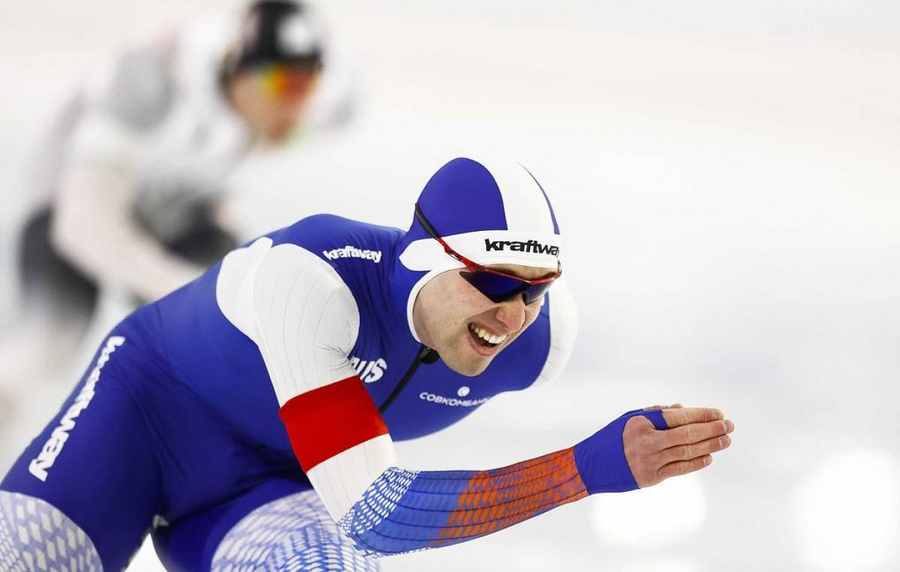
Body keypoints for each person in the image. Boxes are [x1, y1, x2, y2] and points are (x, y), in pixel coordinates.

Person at [0, 157, 735, 571]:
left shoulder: (540, 344)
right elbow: (380, 516)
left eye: (535, 290)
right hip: (135, 431)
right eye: (492, 283)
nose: (513, 317)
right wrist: (584, 469)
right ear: (424, 260)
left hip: (271, 491)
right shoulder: (314, 278)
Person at [0, 0, 351, 429]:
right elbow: (82, 225)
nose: (292, 108)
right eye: (281, 85)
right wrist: (186, 290)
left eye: (305, 86)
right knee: (46, 344)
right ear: (238, 68)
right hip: (68, 210)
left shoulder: (320, 105)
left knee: (216, 329)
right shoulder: (151, 85)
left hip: (173, 211)